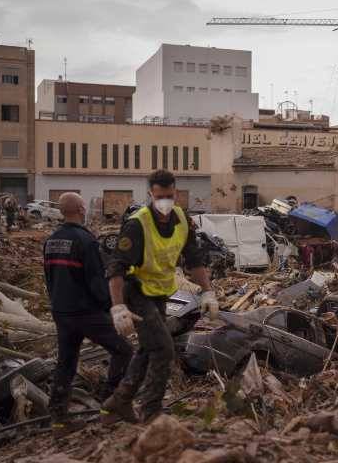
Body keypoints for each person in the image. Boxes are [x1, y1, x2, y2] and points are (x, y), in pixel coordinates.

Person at [101, 170, 216, 425]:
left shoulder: (181, 220)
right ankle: (151, 411)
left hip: (160, 295)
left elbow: (194, 258)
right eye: (160, 196)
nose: (165, 201)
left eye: (170, 195)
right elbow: (115, 268)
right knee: (164, 349)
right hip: (135, 293)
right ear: (151, 195)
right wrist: (118, 306)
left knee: (147, 348)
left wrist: (208, 290)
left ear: (176, 193)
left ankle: (118, 402)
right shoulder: (137, 224)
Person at [44, 193, 133, 439]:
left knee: (66, 362)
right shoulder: (85, 240)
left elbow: (49, 279)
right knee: (124, 349)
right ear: (82, 209)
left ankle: (60, 423)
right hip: (84, 311)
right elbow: (97, 283)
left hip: (61, 312)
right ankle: (110, 406)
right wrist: (112, 309)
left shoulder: (51, 241)